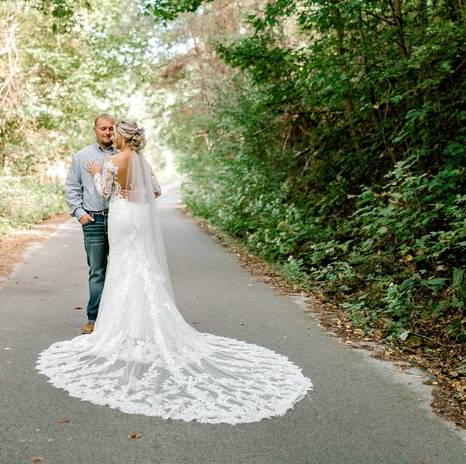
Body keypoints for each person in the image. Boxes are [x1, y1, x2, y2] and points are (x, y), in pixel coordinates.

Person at [38, 119, 312, 424]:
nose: (111, 134)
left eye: (115, 131)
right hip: (137, 217)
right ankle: (140, 323)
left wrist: (96, 173)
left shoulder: (114, 161)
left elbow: (103, 192)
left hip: (120, 218)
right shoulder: (141, 160)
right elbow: (154, 191)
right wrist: (134, 193)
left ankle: (120, 326)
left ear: (123, 137)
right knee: (140, 267)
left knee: (122, 269)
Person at [63, 113, 117, 335]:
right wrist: (79, 213)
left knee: (120, 268)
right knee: (97, 271)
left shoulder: (124, 154)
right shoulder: (82, 156)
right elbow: (71, 187)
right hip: (93, 220)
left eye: (111, 129)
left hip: (118, 220)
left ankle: (117, 318)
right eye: (103, 128)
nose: (107, 132)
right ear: (95, 130)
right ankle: (93, 318)